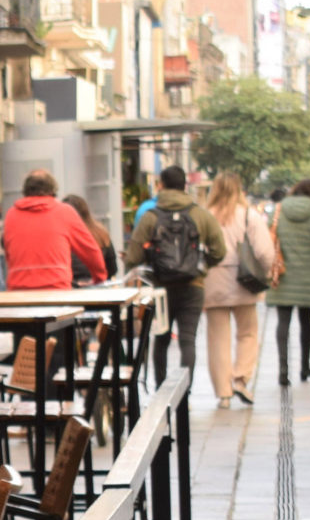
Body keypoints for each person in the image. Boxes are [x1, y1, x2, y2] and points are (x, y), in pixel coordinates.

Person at [124, 164, 226, 380]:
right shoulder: (200, 214)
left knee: (161, 339)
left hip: (161, 288)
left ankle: (161, 388)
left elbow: (133, 257)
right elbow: (220, 251)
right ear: (185, 186)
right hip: (193, 285)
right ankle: (184, 392)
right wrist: (201, 266)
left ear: (161, 185)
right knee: (188, 340)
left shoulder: (150, 216)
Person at [198, 172, 274, 406]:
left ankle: (224, 393)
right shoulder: (249, 215)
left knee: (217, 338)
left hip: (213, 280)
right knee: (248, 332)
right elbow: (264, 252)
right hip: (244, 281)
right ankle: (240, 379)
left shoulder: (205, 216)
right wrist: (266, 272)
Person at [1, 169, 109, 290]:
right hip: (56, 288)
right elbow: (89, 250)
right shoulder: (65, 212)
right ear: (53, 190)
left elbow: (9, 253)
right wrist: (99, 277)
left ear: (25, 191)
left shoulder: (11, 215)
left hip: (19, 290)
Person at [265, 178, 310, 386]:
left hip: (282, 274)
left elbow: (268, 236)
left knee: (283, 323)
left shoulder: (279, 209)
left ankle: (283, 371)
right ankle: (305, 367)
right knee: (306, 322)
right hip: (308, 273)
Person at [62, 194, 117, 287]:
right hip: (97, 286)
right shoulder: (101, 233)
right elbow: (112, 268)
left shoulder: (62, 235)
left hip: (70, 287)